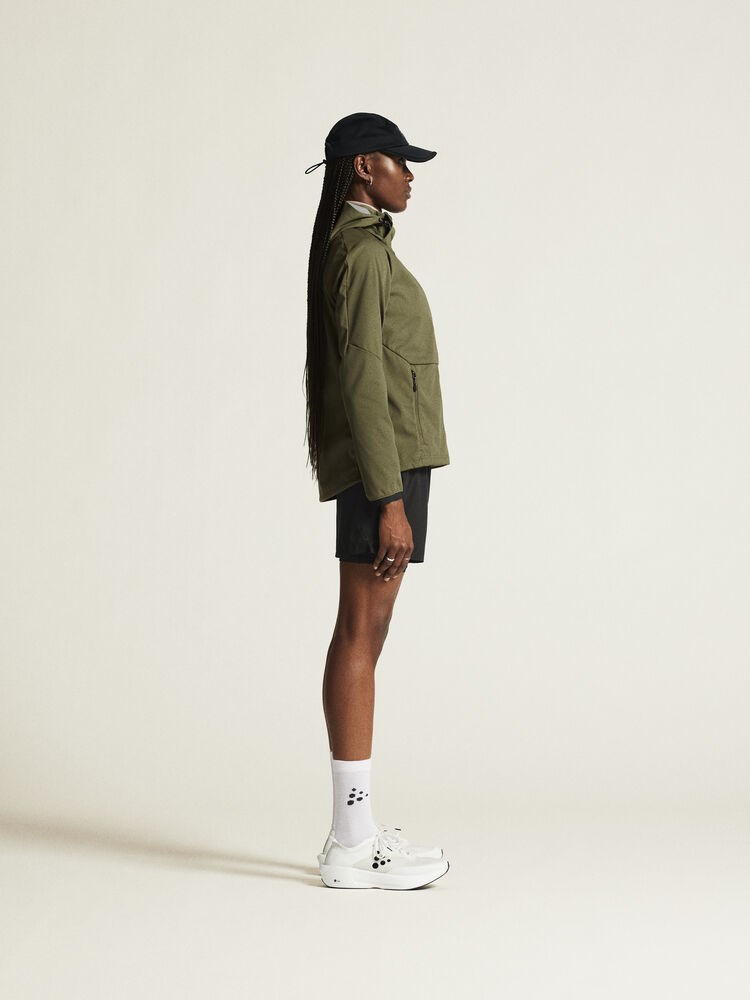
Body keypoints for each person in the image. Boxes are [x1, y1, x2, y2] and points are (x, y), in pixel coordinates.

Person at [304, 112, 451, 889]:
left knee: (371, 628)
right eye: (399, 160)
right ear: (365, 166)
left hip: (394, 461)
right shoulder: (360, 254)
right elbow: (363, 377)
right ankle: (352, 841)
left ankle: (354, 834)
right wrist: (388, 496)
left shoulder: (367, 247)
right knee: (360, 630)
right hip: (382, 469)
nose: (410, 174)